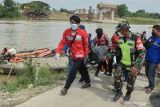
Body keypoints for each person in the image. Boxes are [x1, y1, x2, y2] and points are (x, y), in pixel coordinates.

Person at [55, 15, 91, 95]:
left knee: (73, 71)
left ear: (78, 24)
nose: (73, 24)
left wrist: (85, 55)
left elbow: (86, 45)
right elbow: (62, 43)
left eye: (74, 23)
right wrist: (58, 52)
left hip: (81, 56)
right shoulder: (66, 32)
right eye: (71, 22)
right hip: (73, 55)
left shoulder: (83, 33)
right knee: (83, 69)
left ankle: (65, 88)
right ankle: (88, 82)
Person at [112, 21, 145, 102]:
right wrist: (111, 55)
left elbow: (142, 53)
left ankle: (128, 93)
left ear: (125, 29)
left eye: (120, 30)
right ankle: (119, 92)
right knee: (117, 77)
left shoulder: (136, 38)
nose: (118, 32)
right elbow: (117, 51)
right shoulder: (120, 39)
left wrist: (136, 66)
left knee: (131, 81)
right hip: (122, 63)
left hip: (132, 65)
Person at [144, 25, 160, 94]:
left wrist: (159, 63)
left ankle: (151, 87)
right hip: (147, 58)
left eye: (153, 30)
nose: (152, 31)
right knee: (147, 73)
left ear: (158, 31)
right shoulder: (151, 37)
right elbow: (145, 45)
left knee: (151, 74)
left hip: (154, 60)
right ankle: (151, 85)